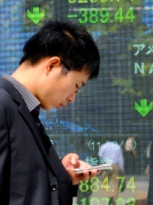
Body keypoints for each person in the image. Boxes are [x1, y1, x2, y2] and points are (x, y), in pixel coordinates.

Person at [0, 20, 101, 205]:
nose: (72, 98)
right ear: (52, 65)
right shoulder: (3, 106)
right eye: (76, 86)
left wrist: (61, 173)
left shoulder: (26, 111)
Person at [98, 140, 125, 205]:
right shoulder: (117, 146)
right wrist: (122, 169)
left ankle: (110, 195)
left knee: (104, 182)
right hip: (116, 165)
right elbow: (121, 159)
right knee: (115, 184)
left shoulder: (103, 146)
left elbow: (100, 156)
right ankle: (115, 200)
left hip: (107, 165)